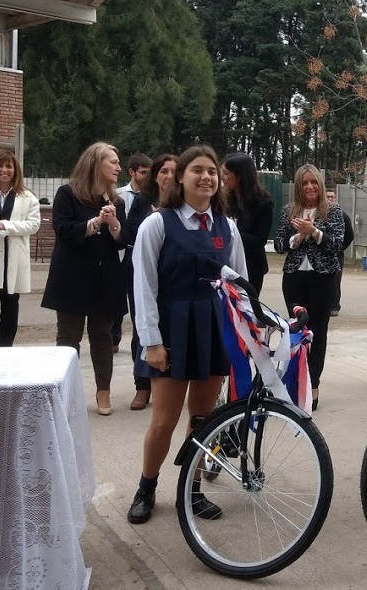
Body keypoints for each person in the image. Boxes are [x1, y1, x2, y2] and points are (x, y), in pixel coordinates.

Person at [126, 145, 248, 524]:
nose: (206, 177)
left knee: (202, 418)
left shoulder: (227, 227)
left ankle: (191, 490)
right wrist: (152, 341)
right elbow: (142, 287)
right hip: (172, 331)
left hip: (213, 329)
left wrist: (250, 325)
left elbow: (239, 283)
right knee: (163, 420)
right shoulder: (157, 224)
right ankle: (147, 487)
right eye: (197, 170)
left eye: (212, 171)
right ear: (180, 177)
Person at [41, 142, 128, 416]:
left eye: (118, 162)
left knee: (102, 337)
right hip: (72, 278)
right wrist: (94, 223)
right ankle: (66, 393)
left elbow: (122, 242)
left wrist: (114, 224)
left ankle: (103, 393)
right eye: (112, 162)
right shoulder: (67, 194)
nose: (118, 167)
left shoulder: (118, 201)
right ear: (95, 164)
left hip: (106, 280)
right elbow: (63, 230)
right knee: (68, 337)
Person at [273, 164, 346, 411]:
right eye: (304, 183)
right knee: (296, 331)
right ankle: (294, 382)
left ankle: (313, 384)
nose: (309, 187)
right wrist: (299, 237)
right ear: (298, 186)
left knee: (319, 333)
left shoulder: (333, 211)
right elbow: (280, 245)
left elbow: (337, 244)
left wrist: (313, 231)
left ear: (320, 184)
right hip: (294, 277)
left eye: (313, 182)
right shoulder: (288, 211)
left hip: (323, 278)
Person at [124, 153, 176, 411]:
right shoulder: (143, 200)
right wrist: (151, 221)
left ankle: (170, 382)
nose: (168, 176)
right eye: (163, 171)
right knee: (141, 327)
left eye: (173, 171)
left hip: (172, 276)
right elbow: (128, 232)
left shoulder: (183, 202)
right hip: (142, 272)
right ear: (155, 175)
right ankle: (141, 387)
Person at [0, 150, 41, 347]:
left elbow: (34, 225)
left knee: (9, 305)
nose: (4, 170)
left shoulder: (28, 198)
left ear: (15, 170)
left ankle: (4, 347)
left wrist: (7, 226)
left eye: (9, 166)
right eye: (0, 166)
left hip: (13, 255)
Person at [111, 153, 152, 352]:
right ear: (132, 172)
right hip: (121, 250)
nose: (146, 177)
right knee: (117, 297)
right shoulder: (117, 195)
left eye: (148, 173)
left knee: (137, 299)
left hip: (138, 250)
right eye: (142, 172)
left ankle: (138, 338)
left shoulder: (152, 199)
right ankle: (114, 338)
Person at [221, 153, 274, 294]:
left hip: (252, 269)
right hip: (225, 266)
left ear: (240, 175)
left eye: (226, 173)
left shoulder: (263, 202)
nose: (222, 178)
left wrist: (231, 232)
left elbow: (259, 240)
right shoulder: (222, 200)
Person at [326, 187, 354, 316]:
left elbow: (349, 235)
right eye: (328, 197)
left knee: (335, 280)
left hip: (337, 254)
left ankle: (334, 306)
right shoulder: (319, 214)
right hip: (321, 254)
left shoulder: (342, 215)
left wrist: (340, 248)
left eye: (332, 197)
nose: (330, 199)